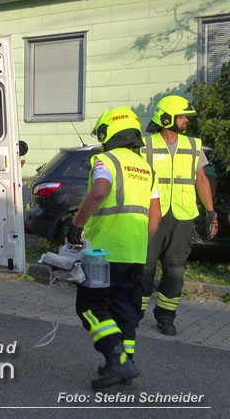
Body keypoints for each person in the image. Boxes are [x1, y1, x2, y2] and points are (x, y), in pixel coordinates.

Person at [66, 107, 161, 389]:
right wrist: (141, 242)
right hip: (134, 252)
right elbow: (155, 216)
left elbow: (98, 192)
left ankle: (117, 360)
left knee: (89, 306)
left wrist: (76, 225)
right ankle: (125, 362)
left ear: (109, 133)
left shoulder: (105, 160)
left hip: (103, 253)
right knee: (125, 309)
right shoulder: (147, 169)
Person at [139, 95, 217, 336]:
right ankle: (133, 312)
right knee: (145, 266)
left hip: (182, 215)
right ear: (166, 118)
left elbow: (201, 179)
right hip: (151, 214)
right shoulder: (144, 145)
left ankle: (165, 317)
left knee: (175, 269)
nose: (186, 120)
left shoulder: (193, 146)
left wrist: (211, 212)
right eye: (182, 116)